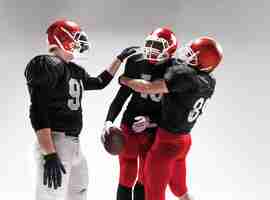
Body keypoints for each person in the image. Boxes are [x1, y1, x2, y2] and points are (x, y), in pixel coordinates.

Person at [24, 19, 138, 200]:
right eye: (75, 39)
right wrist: (49, 153)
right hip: (55, 140)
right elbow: (38, 111)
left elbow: (100, 82)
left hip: (73, 143)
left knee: (78, 192)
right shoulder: (47, 64)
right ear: (62, 39)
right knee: (51, 195)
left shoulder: (72, 69)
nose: (79, 44)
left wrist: (119, 59)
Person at [120, 37, 223, 200]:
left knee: (153, 194)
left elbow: (147, 87)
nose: (186, 55)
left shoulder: (184, 76)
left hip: (165, 144)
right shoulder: (209, 81)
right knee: (179, 190)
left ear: (203, 62)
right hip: (184, 141)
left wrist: (124, 79)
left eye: (192, 55)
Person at [103, 27, 178, 200]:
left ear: (170, 50)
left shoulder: (177, 71)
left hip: (154, 130)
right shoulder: (136, 61)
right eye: (150, 43)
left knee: (145, 177)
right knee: (127, 173)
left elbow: (174, 112)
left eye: (158, 46)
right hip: (130, 123)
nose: (152, 49)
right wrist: (108, 121)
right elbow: (121, 96)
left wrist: (151, 121)